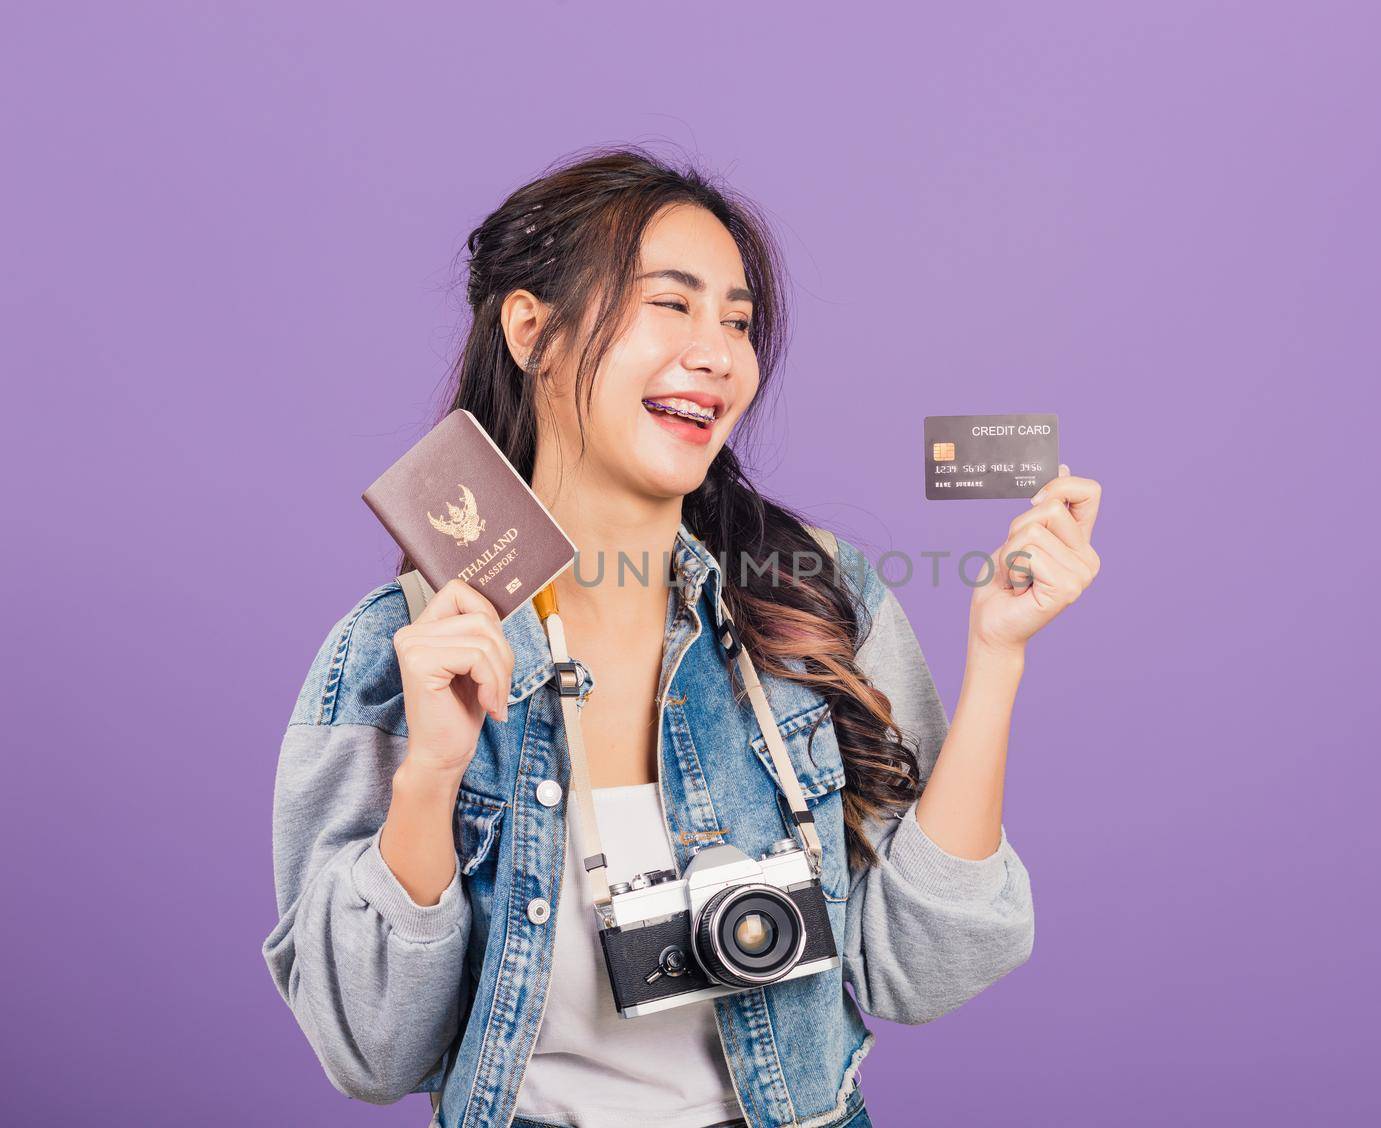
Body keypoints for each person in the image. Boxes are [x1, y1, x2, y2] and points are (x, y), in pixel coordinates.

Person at [262, 146, 1104, 1128]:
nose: (718, 352)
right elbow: (370, 1054)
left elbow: (918, 967)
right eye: (671, 303)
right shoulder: (391, 656)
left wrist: (998, 654)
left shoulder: (814, 604)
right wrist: (430, 775)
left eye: (739, 322)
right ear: (532, 330)